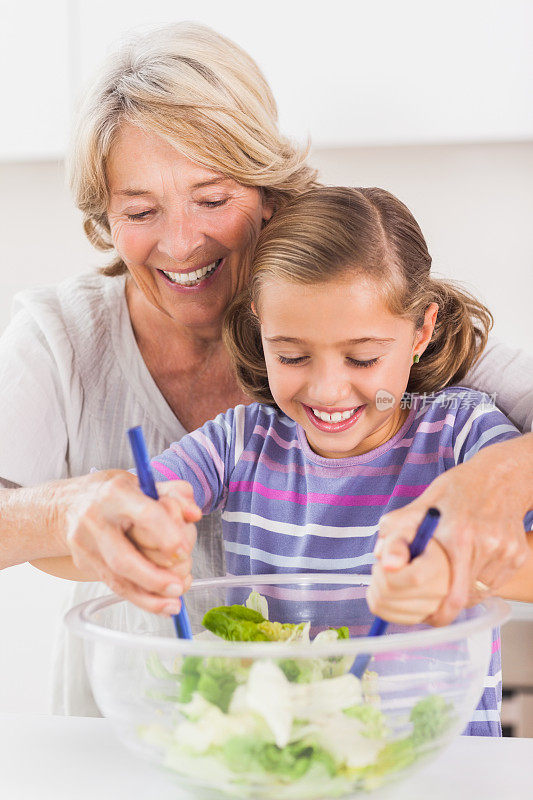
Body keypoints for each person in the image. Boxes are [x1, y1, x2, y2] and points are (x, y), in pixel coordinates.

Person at [0, 23, 531, 718]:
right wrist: (60, 513)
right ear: (104, 217)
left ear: (269, 193)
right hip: (127, 740)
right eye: (139, 210)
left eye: (212, 199)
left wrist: (491, 481)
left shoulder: (366, 314)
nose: (181, 241)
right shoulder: (63, 338)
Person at [70, 185, 531, 736]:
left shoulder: (462, 434)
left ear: (421, 331)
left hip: (442, 770)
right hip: (283, 767)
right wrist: (147, 521)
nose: (328, 390)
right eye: (291, 355)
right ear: (260, 322)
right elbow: (137, 502)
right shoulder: (237, 442)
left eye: (363, 357)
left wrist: (468, 572)